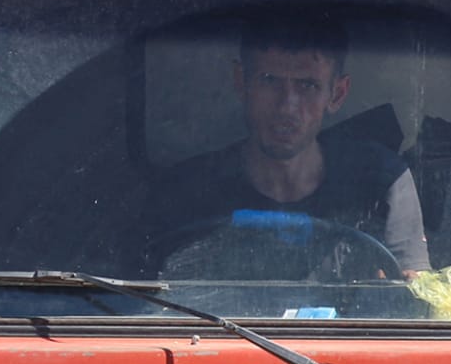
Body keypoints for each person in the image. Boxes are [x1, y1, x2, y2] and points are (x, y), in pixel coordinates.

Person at [142, 19, 429, 278]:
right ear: (242, 82)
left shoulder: (381, 183)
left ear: (337, 93)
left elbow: (414, 297)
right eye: (270, 81)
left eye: (307, 85)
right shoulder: (186, 193)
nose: (287, 106)